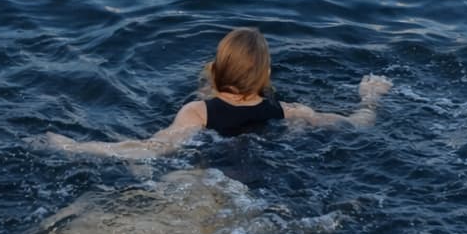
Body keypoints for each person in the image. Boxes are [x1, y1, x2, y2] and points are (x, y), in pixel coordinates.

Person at [35, 26, 392, 160]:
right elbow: (357, 125)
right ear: (266, 75)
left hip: (207, 174)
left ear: (216, 70)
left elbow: (152, 149)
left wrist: (74, 146)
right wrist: (370, 97)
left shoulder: (198, 112)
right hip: (261, 178)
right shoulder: (286, 110)